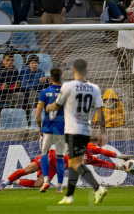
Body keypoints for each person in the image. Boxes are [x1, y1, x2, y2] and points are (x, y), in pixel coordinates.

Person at [46, 59, 108, 204]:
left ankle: (98, 188)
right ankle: (69, 196)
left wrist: (48, 107)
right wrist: (103, 132)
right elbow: (100, 113)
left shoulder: (67, 86)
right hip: (85, 130)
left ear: (73, 70)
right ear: (86, 71)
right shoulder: (94, 88)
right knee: (76, 161)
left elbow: (56, 106)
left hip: (72, 130)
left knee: (75, 163)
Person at [0, 137, 134, 191]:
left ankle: (13, 182)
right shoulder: (87, 147)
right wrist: (123, 157)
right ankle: (4, 182)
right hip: (50, 157)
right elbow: (105, 153)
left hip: (55, 167)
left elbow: (104, 164)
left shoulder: (90, 158)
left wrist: (121, 167)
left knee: (39, 184)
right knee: (29, 169)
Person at [35, 68, 65, 193]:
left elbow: (37, 115)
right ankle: (59, 186)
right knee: (59, 157)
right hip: (61, 129)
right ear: (62, 78)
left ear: (50, 78)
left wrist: (39, 126)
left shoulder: (44, 92)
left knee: (44, 154)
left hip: (47, 128)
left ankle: (46, 181)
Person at [20, 54, 50, 118]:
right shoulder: (24, 72)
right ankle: (32, 118)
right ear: (28, 64)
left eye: (36, 63)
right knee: (34, 94)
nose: (34, 65)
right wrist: (38, 81)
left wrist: (48, 81)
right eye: (32, 63)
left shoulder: (41, 72)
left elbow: (44, 85)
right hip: (27, 93)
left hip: (39, 91)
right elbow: (24, 86)